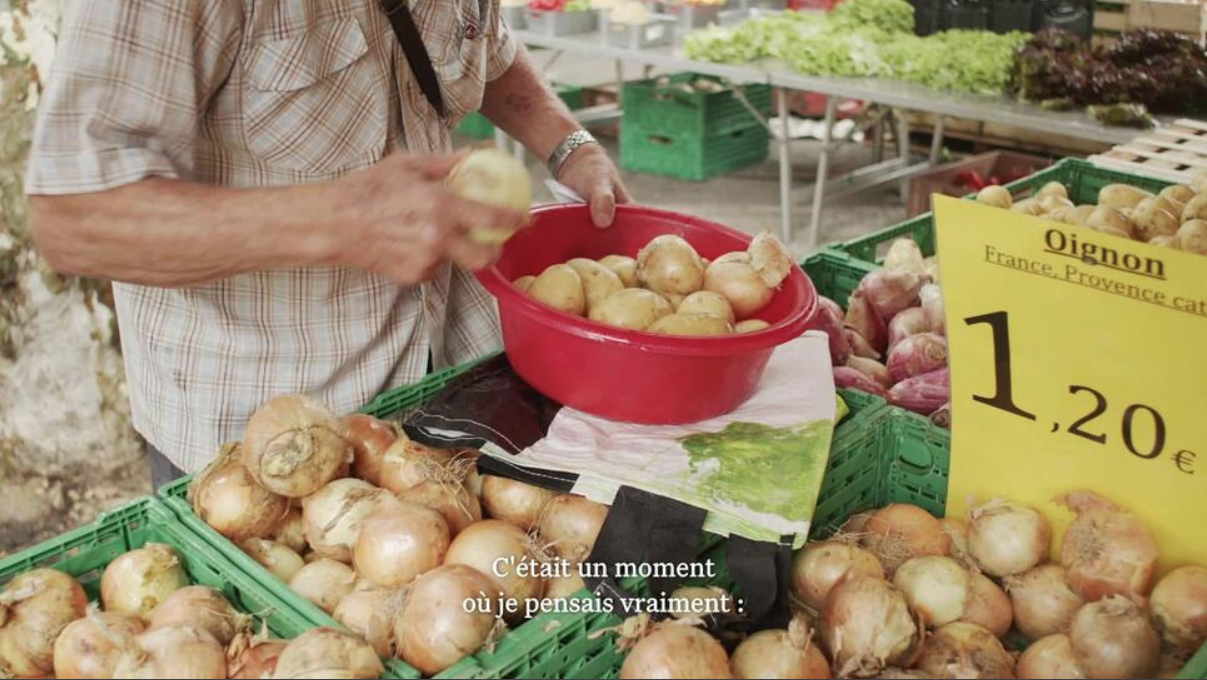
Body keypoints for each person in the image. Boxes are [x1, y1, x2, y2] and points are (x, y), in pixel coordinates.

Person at [25, 0, 630, 488]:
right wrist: (340, 223)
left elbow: (485, 43)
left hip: (450, 378)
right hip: (264, 443)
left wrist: (570, 144)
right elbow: (74, 217)